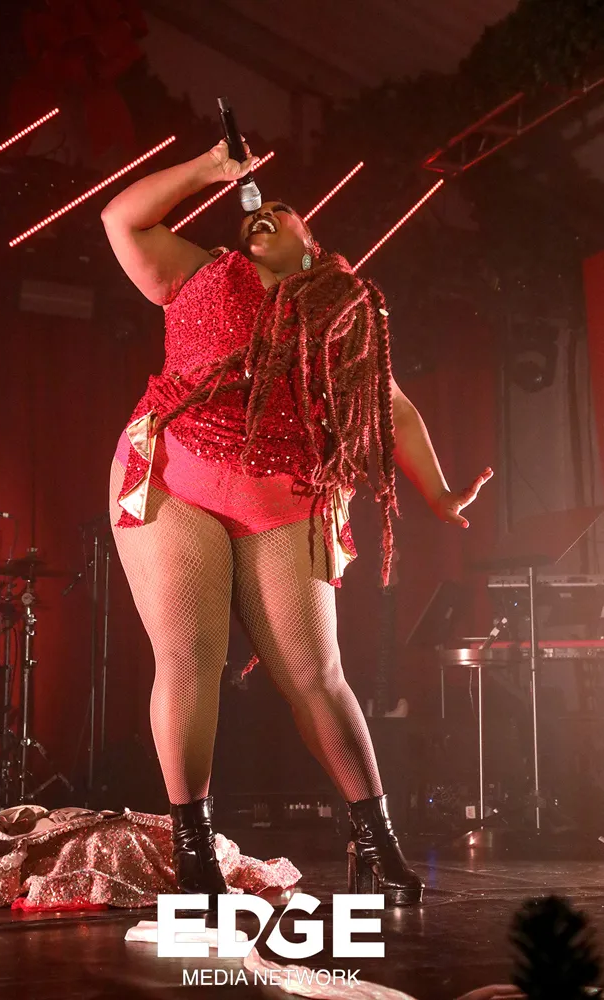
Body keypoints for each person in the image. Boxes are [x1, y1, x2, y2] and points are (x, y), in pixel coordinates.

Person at [101, 136, 493, 910]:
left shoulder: (342, 309)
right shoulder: (200, 272)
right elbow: (122, 218)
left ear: (312, 243)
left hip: (284, 492)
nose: (264, 214)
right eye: (257, 209)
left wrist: (441, 494)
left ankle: (376, 841)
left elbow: (391, 408)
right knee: (189, 658)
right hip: (175, 473)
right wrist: (209, 170)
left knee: (316, 677)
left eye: (282, 212)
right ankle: (193, 854)